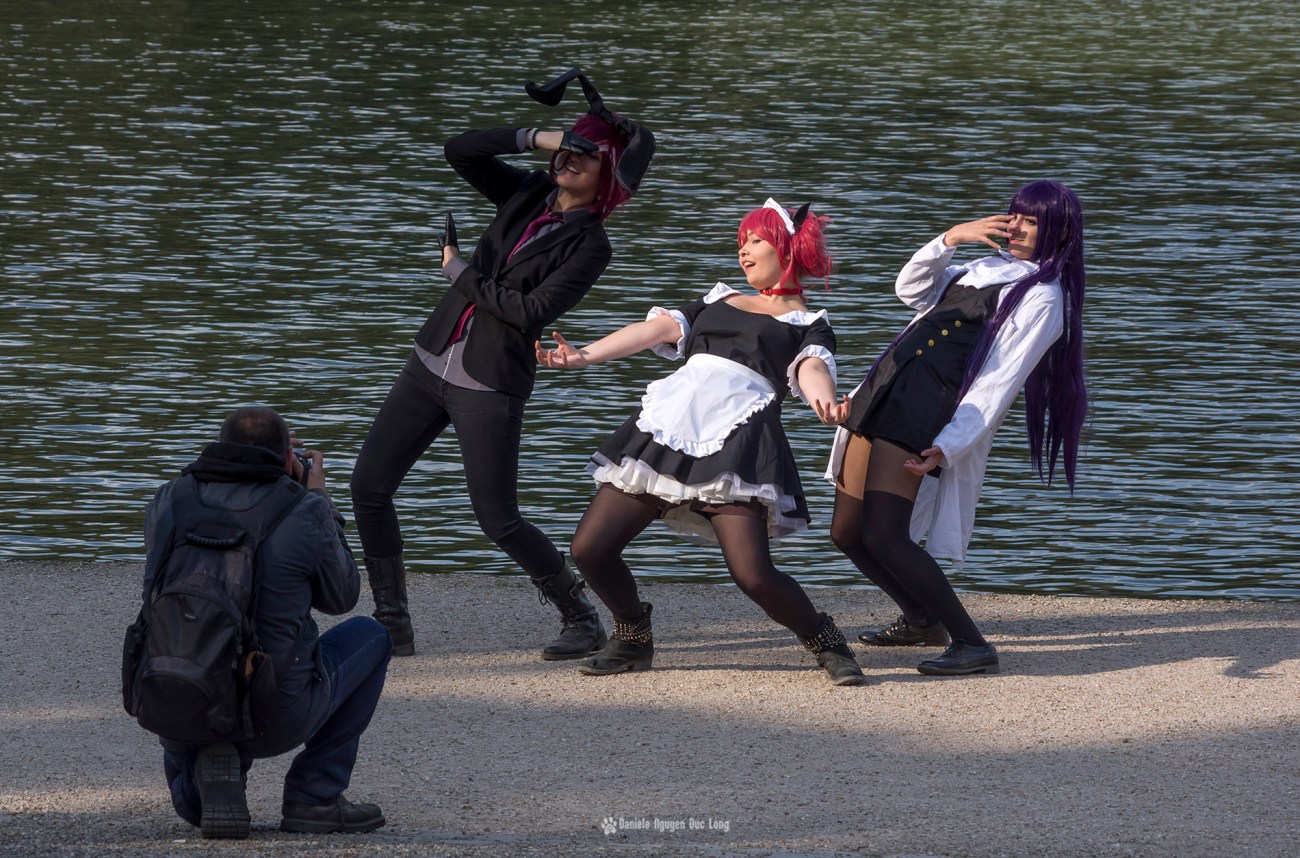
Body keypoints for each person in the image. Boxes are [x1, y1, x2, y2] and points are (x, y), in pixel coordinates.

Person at [349, 76, 653, 661]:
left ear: (607, 181)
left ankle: (579, 615)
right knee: (368, 486)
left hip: (489, 382)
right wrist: (538, 135)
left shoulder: (591, 246)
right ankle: (394, 623)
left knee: (498, 518)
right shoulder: (525, 193)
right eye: (567, 149)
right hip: (429, 360)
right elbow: (459, 149)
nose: (568, 159)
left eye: (584, 156)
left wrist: (459, 273)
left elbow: (531, 311)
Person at [536, 199, 866, 687]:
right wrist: (583, 356)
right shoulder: (717, 302)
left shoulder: (807, 323)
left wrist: (826, 404)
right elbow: (652, 331)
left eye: (756, 240)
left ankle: (826, 641)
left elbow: (813, 370)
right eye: (741, 243)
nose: (744, 252)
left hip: (738, 444)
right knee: (589, 548)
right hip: (665, 432)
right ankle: (632, 637)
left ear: (788, 248)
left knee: (753, 575)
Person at [825, 180, 1088, 676]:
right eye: (1015, 216)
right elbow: (909, 289)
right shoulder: (981, 266)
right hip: (884, 386)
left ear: (1058, 229)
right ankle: (922, 619)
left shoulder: (1044, 299)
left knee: (885, 534)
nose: (1017, 228)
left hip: (925, 408)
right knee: (846, 532)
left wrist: (948, 445)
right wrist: (950, 238)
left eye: (1032, 221)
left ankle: (971, 642)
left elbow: (998, 381)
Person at [143, 406, 391, 837]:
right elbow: (342, 597)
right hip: (272, 712)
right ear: (289, 461)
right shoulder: (303, 511)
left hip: (175, 698)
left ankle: (199, 786)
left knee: (185, 654)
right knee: (372, 636)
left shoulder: (168, 500)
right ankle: (315, 797)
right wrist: (319, 499)